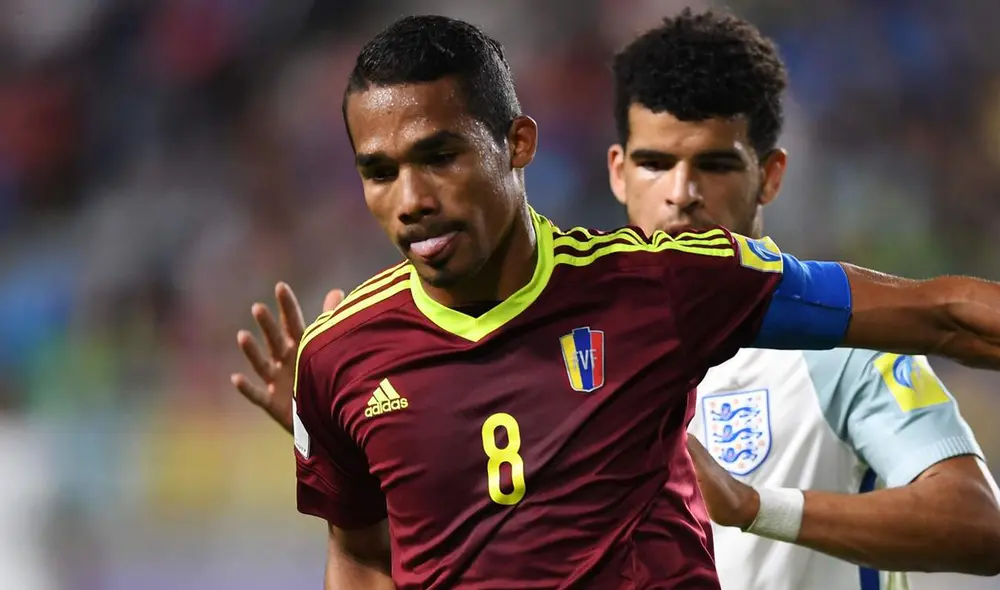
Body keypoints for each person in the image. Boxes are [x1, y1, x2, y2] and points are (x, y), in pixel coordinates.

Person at [230, 13, 1000, 590]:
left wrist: (757, 504)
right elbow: (363, 555)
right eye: (379, 172)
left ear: (518, 144)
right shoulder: (339, 356)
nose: (411, 200)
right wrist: (336, 425)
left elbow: (941, 314)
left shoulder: (659, 287)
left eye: (441, 156)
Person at [606, 10, 1000, 590]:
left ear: (769, 175)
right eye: (655, 164)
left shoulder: (842, 341)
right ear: (618, 173)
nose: (681, 195)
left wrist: (755, 506)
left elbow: (979, 525)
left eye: (714, 165)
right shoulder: (573, 348)